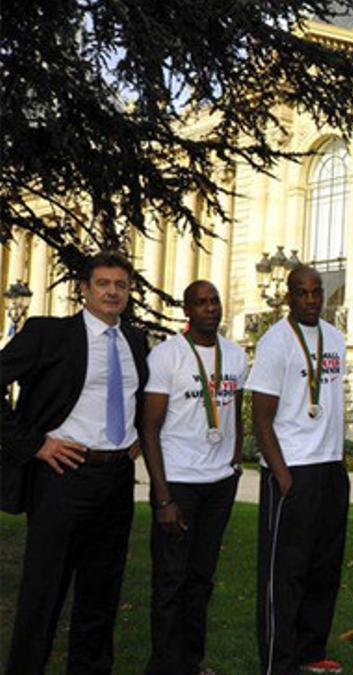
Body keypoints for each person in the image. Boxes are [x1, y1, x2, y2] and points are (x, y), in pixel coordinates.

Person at [2, 252, 149, 674]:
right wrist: (34, 444)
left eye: (120, 284)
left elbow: (137, 397)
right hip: (63, 476)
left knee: (101, 597)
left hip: (116, 479)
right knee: (43, 593)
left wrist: (133, 436)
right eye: (103, 283)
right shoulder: (49, 334)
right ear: (83, 289)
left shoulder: (136, 342)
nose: (112, 292)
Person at [247, 265, 350, 675]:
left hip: (329, 469)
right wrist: (283, 476)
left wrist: (337, 462)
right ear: (288, 296)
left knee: (323, 567)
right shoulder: (275, 343)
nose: (311, 299)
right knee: (283, 573)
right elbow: (261, 418)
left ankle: (311, 651)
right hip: (293, 470)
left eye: (316, 292)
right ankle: (278, 660)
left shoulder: (336, 338)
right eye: (302, 292)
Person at [141, 280, 247, 675]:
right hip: (179, 482)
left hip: (219, 483)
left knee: (201, 579)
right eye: (201, 303)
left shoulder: (235, 355)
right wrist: (163, 497)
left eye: (214, 301)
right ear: (187, 310)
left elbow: (234, 408)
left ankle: (191, 662)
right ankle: (164, 666)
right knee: (171, 580)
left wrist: (234, 461)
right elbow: (150, 428)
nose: (210, 308)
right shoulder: (167, 356)